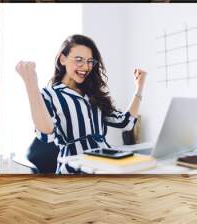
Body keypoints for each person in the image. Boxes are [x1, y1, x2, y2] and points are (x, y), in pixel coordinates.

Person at [16, 34, 147, 174]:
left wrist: (139, 86)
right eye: (79, 60)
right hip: (74, 167)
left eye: (90, 61)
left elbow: (125, 122)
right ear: (62, 59)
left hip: (105, 163)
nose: (85, 66)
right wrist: (31, 85)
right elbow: (46, 134)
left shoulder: (93, 94)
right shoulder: (51, 94)